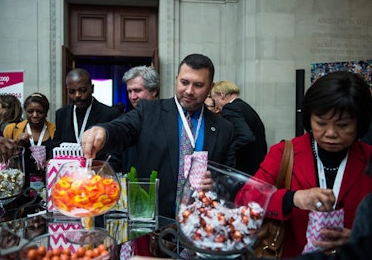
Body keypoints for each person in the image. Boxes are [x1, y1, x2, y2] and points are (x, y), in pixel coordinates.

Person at [81, 53, 237, 219]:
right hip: (155, 224)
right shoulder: (149, 111)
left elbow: (230, 179)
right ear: (176, 79)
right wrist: (104, 131)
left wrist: (216, 184)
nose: (189, 91)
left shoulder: (223, 129)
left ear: (210, 87)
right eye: (184, 82)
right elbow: (123, 127)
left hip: (200, 225)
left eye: (198, 85)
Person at [243, 71, 372, 258]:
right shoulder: (286, 153)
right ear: (309, 119)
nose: (330, 133)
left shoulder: (368, 159)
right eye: (321, 123)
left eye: (343, 125)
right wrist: (293, 198)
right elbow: (246, 198)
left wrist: (361, 239)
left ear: (359, 123)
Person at [50, 68, 121, 160]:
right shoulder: (61, 114)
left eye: (82, 90)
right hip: (68, 171)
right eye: (72, 91)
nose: (77, 95)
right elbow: (56, 145)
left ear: (92, 89)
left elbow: (115, 152)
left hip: (97, 170)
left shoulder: (110, 114)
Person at [108, 65, 161, 174]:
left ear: (154, 91)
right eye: (129, 91)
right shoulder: (125, 120)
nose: (132, 96)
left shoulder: (169, 117)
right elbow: (116, 159)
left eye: (137, 90)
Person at [4, 93, 56, 196]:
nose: (35, 115)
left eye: (40, 112)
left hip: (48, 184)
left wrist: (52, 162)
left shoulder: (55, 130)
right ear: (25, 111)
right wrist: (18, 145)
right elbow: (4, 160)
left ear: (46, 112)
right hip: (20, 185)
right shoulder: (12, 130)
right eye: (30, 111)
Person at [211, 80, 267, 175]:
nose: (215, 106)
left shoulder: (230, 108)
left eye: (214, 100)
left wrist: (228, 150)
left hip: (246, 169)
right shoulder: (244, 106)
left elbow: (246, 137)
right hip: (258, 166)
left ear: (221, 95)